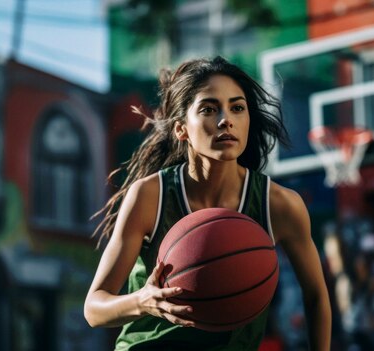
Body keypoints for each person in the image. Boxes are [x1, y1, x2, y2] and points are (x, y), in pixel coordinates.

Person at [84, 56, 331, 350]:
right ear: (181, 129)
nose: (226, 119)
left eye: (237, 108)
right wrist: (143, 301)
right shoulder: (150, 196)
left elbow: (316, 297)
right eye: (209, 109)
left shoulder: (279, 204)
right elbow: (94, 308)